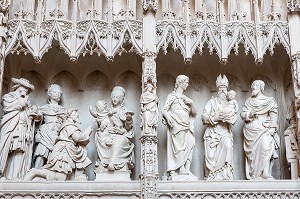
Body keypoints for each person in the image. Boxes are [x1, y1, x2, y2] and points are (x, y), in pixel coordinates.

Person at [25, 109, 92, 181]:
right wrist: (87, 132)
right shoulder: (69, 125)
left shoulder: (68, 125)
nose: (77, 115)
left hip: (66, 150)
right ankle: (35, 172)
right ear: (70, 116)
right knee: (60, 176)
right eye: (75, 113)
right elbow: (78, 137)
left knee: (61, 177)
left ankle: (37, 177)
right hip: (63, 151)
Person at [241, 80, 279, 180]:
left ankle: (265, 173)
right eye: (252, 85)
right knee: (253, 154)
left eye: (256, 85)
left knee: (266, 147)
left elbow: (273, 115)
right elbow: (243, 114)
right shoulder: (249, 101)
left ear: (261, 87)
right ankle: (254, 174)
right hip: (251, 129)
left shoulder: (269, 100)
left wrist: (272, 128)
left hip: (264, 129)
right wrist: (250, 114)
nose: (253, 87)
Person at [202, 74, 237, 180]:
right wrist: (215, 118)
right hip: (212, 133)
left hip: (225, 131)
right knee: (211, 156)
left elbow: (234, 117)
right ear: (218, 89)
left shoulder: (231, 104)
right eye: (221, 88)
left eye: (224, 88)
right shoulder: (212, 102)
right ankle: (211, 177)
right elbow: (204, 117)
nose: (223, 90)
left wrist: (229, 118)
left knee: (227, 146)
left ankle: (225, 175)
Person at [0, 78, 36, 180]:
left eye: (27, 89)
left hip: (23, 128)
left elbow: (30, 114)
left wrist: (34, 114)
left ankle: (16, 176)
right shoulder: (8, 97)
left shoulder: (26, 101)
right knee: (8, 148)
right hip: (11, 126)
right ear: (17, 87)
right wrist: (21, 103)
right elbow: (6, 107)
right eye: (24, 88)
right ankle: (3, 174)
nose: (26, 91)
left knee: (20, 150)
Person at [162, 75, 197, 177]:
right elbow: (164, 110)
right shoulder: (171, 96)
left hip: (187, 125)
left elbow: (194, 113)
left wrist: (192, 103)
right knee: (179, 146)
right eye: (186, 82)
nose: (187, 84)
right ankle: (180, 168)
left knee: (191, 143)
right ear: (180, 83)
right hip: (176, 124)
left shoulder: (186, 99)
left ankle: (186, 168)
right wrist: (168, 117)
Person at [95, 86, 135, 172]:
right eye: (113, 97)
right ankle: (103, 163)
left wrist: (128, 120)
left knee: (119, 141)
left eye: (117, 97)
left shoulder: (125, 111)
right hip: (109, 133)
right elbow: (102, 123)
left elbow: (128, 128)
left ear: (122, 99)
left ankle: (112, 163)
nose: (114, 99)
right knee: (99, 135)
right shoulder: (107, 110)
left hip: (122, 134)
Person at [33, 84, 65, 168]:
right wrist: (38, 133)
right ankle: (36, 172)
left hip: (57, 134)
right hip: (45, 133)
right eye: (55, 92)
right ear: (49, 93)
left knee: (55, 155)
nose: (57, 94)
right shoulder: (44, 108)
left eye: (59, 92)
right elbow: (36, 122)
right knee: (41, 152)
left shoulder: (63, 110)